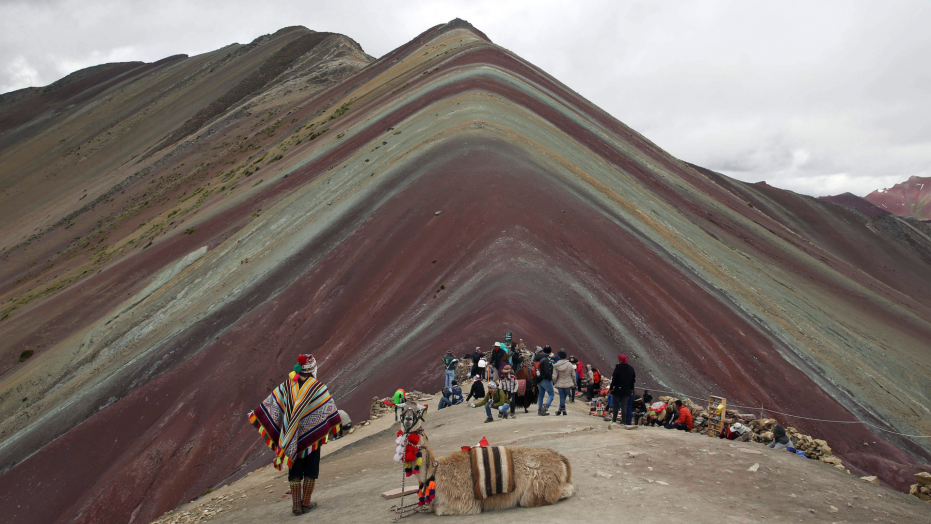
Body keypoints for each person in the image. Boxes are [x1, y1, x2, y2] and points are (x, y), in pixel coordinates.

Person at [248, 354, 340, 515]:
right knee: (311, 469)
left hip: (291, 438)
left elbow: (273, 404)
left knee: (295, 470)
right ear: (312, 369)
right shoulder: (318, 388)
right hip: (313, 438)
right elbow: (328, 409)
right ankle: (306, 503)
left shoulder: (287, 386)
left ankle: (296, 506)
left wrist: (258, 414)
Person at [606, 354, 636, 424]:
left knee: (616, 406)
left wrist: (611, 388)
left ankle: (614, 420)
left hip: (617, 390)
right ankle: (623, 422)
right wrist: (631, 389)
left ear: (619, 360)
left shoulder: (618, 368)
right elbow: (633, 381)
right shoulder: (631, 369)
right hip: (627, 391)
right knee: (624, 406)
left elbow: (614, 379)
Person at [552, 350, 576, 415]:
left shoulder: (556, 365)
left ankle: (561, 409)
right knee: (564, 397)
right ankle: (563, 409)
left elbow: (554, 377)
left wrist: (555, 382)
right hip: (568, 383)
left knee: (562, 397)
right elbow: (573, 375)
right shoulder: (570, 365)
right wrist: (574, 383)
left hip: (559, 383)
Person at [536, 347, 555, 416]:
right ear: (549, 352)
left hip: (539, 379)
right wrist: (550, 379)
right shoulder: (546, 360)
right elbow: (547, 372)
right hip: (545, 379)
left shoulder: (538, 358)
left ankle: (540, 410)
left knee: (541, 395)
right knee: (551, 394)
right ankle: (545, 407)